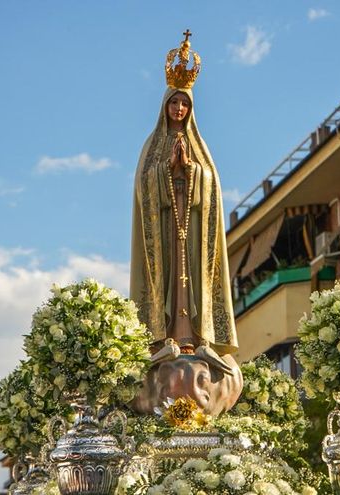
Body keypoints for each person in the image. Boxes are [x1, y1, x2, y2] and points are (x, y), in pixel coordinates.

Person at [130, 31, 238, 374]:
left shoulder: (199, 146)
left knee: (191, 279)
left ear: (191, 109)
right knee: (169, 282)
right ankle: (164, 340)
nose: (179, 108)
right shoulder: (153, 145)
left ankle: (196, 335)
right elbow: (144, 186)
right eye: (175, 103)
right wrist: (166, 171)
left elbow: (212, 187)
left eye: (185, 104)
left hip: (191, 231)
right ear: (165, 106)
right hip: (164, 230)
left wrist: (191, 171)